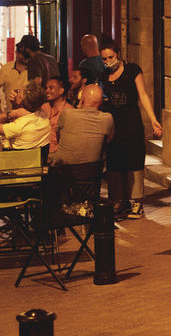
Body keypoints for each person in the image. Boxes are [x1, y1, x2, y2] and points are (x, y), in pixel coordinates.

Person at [99, 39, 161, 218]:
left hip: (131, 123)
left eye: (111, 57)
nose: (108, 61)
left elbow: (143, 95)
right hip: (112, 125)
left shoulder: (132, 70)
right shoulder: (103, 75)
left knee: (134, 160)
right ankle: (118, 200)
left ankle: (136, 202)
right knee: (115, 162)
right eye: (104, 59)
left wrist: (153, 120)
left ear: (118, 54)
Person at [53, 81, 113, 166]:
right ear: (101, 101)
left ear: (81, 98)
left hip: (64, 169)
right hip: (91, 170)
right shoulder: (107, 118)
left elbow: (58, 136)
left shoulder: (67, 114)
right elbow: (107, 140)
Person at [0, 43, 29, 113]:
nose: (26, 57)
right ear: (17, 53)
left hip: (28, 113)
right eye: (23, 54)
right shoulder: (7, 68)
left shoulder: (34, 69)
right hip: (9, 112)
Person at [39, 76, 70, 149]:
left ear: (61, 91)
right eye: (46, 88)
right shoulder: (44, 107)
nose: (47, 91)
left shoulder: (69, 111)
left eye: (51, 88)